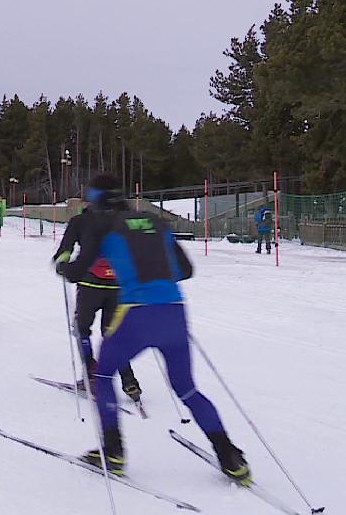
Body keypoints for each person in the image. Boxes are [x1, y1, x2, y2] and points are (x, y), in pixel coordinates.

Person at [54, 174, 250, 484]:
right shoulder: (154, 221)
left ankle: (114, 452)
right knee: (186, 388)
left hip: (135, 313)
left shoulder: (100, 225)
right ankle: (230, 457)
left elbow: (77, 270)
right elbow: (185, 269)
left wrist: (62, 267)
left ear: (96, 199)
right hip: (174, 311)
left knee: (103, 376)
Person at [52, 203, 142, 401]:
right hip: (117, 286)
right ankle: (129, 381)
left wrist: (62, 265)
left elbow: (64, 251)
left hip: (89, 285)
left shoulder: (80, 221)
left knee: (82, 329)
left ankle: (91, 376)